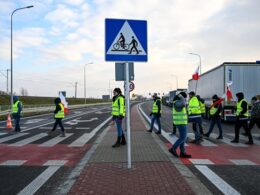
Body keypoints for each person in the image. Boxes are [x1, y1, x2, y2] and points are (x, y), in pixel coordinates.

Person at [168, 92, 191, 158]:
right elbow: (183, 104)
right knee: (183, 137)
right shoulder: (177, 102)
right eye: (184, 97)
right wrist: (182, 97)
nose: (185, 99)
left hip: (182, 122)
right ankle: (173, 149)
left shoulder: (178, 102)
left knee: (183, 137)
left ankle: (182, 152)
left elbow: (184, 106)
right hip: (180, 123)